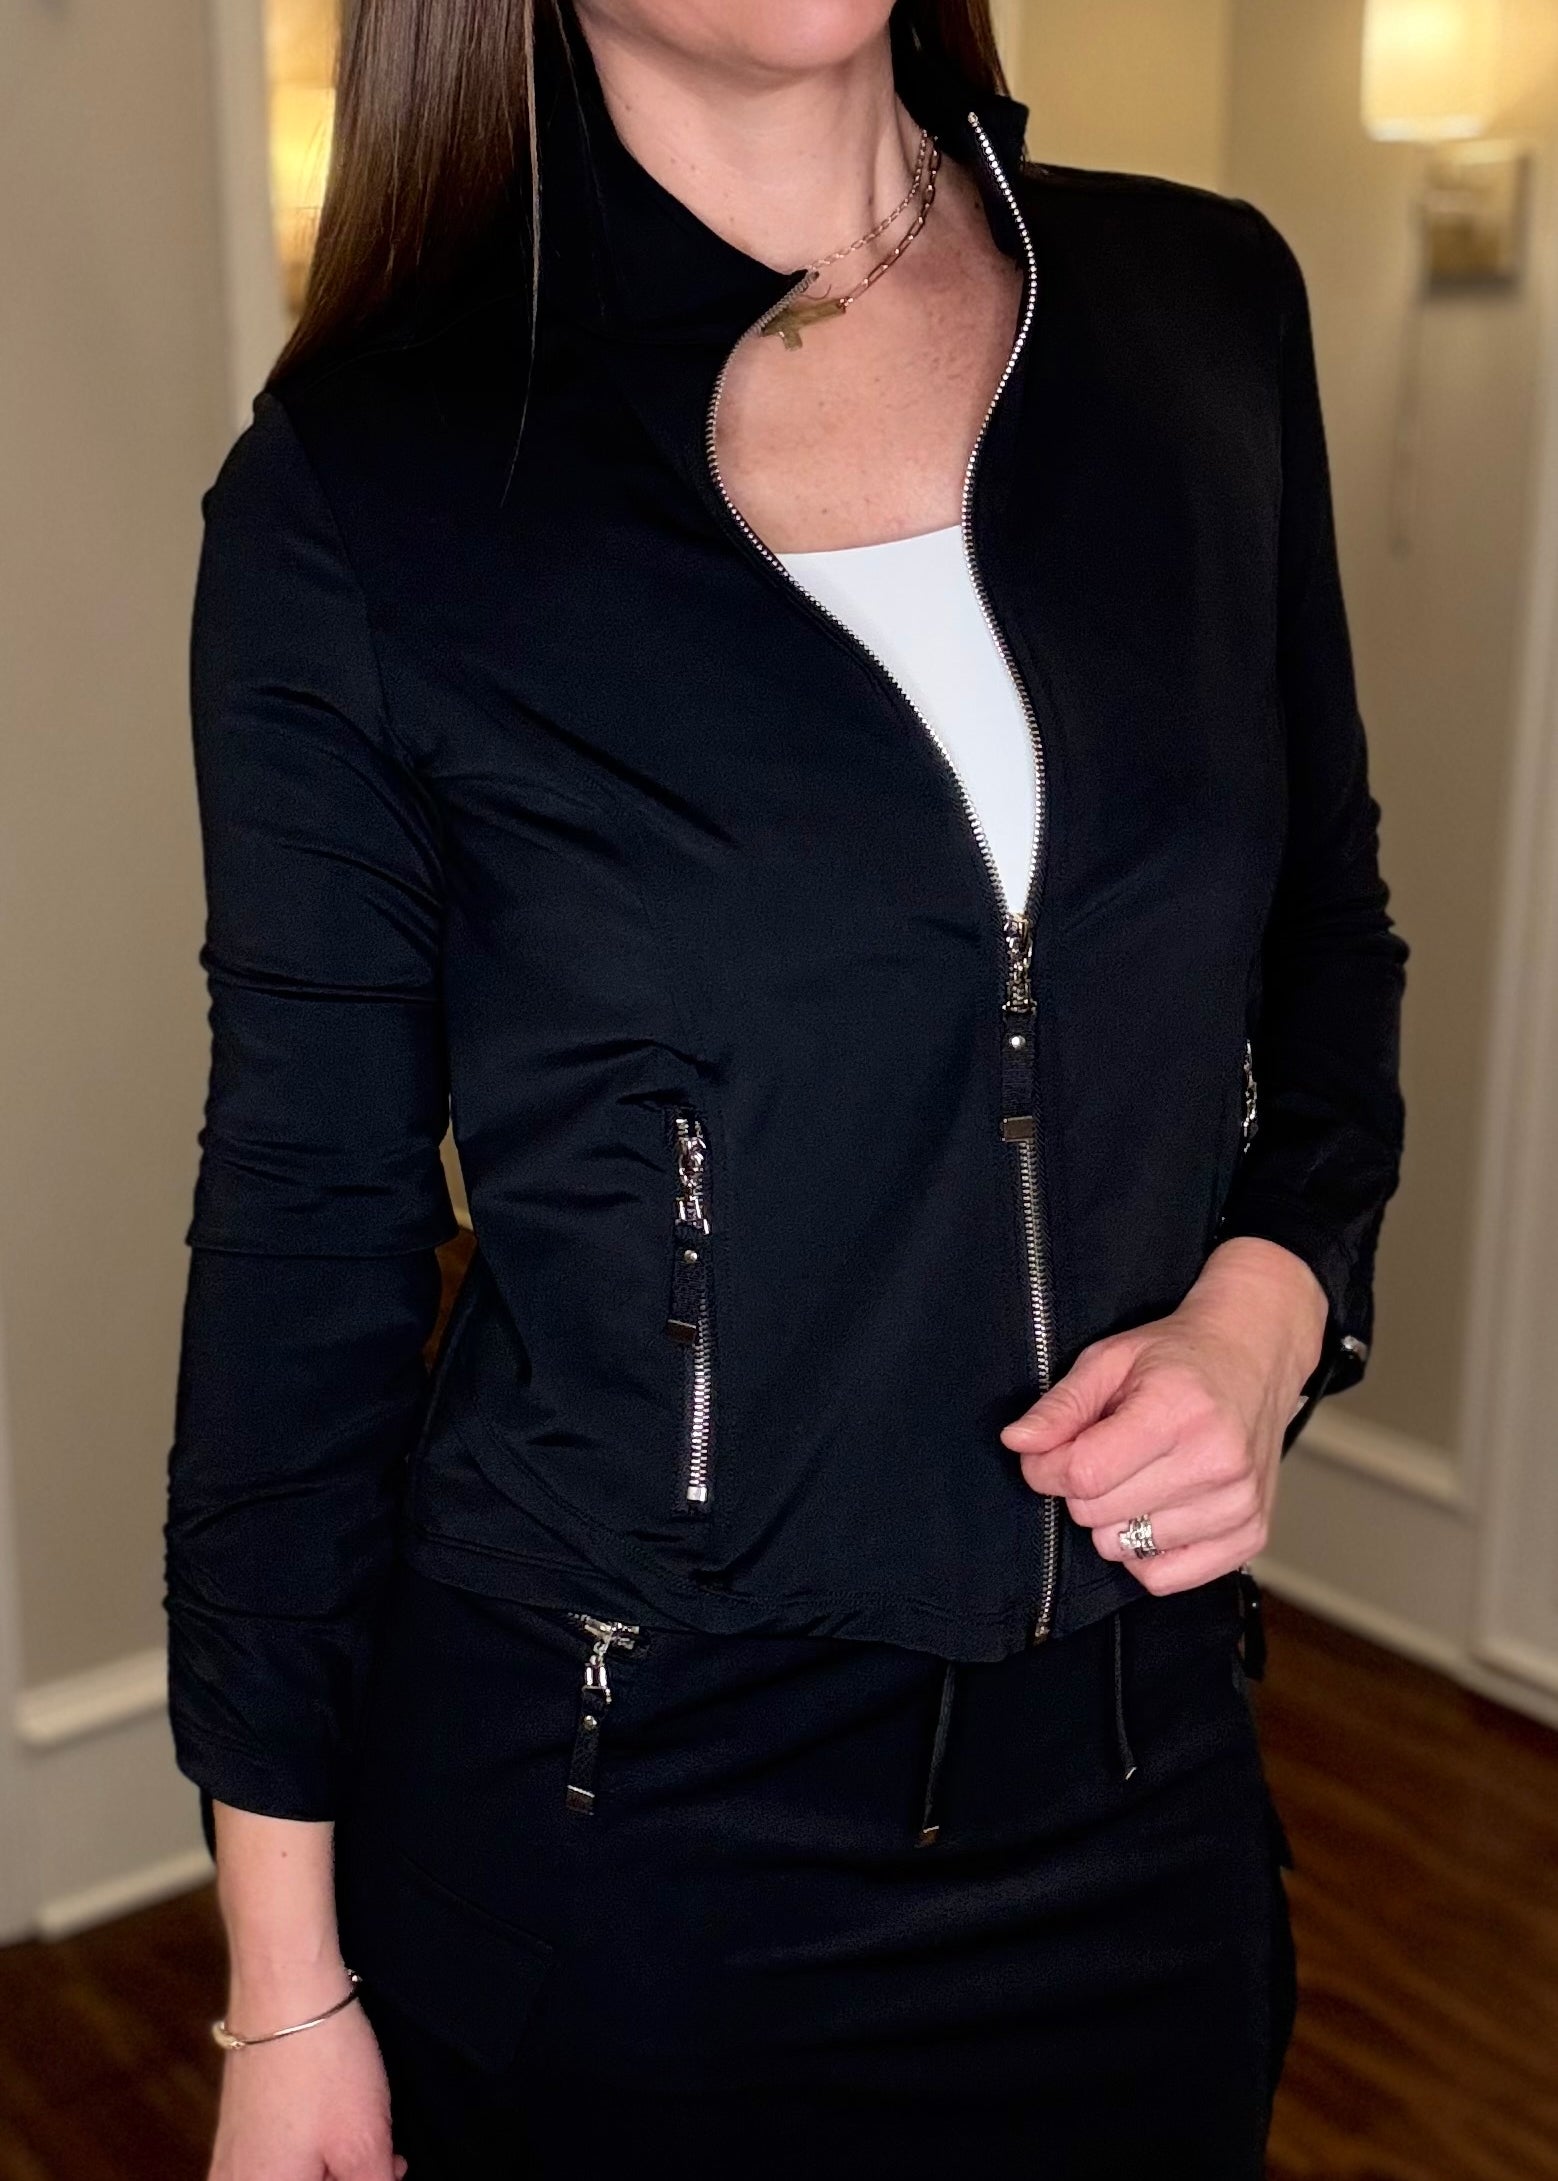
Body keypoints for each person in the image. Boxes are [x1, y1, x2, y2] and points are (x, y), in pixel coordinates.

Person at [164, 1, 1407, 2175]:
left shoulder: (1200, 306)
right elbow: (302, 1246)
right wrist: (286, 1986)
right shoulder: (372, 486)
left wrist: (1267, 1305)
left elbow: (1322, 931)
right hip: (630, 1856)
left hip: (1143, 1815)